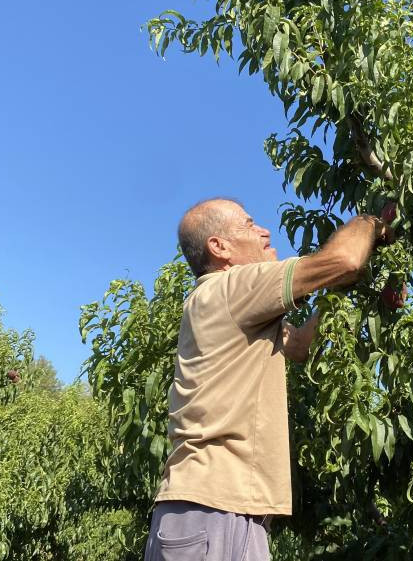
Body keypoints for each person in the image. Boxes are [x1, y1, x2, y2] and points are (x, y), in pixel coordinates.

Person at [143, 197, 387, 561]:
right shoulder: (231, 288)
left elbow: (300, 346)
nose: (264, 231)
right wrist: (372, 220)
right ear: (219, 247)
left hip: (216, 510)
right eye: (248, 224)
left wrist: (334, 290)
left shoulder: (227, 308)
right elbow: (345, 259)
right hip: (214, 508)